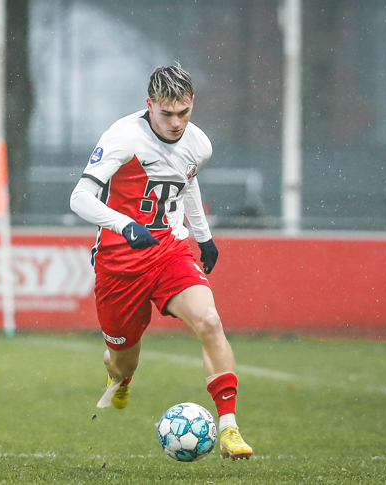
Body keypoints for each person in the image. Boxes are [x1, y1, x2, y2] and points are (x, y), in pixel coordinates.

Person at [69, 64, 253, 460]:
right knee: (121, 360)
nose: (175, 123)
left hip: (170, 250)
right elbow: (79, 198)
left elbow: (186, 178)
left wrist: (202, 234)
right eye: (166, 113)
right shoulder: (122, 137)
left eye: (183, 113)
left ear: (192, 105)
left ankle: (229, 429)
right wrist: (124, 225)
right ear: (149, 104)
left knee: (209, 321)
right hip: (120, 263)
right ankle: (121, 376)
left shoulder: (199, 143)